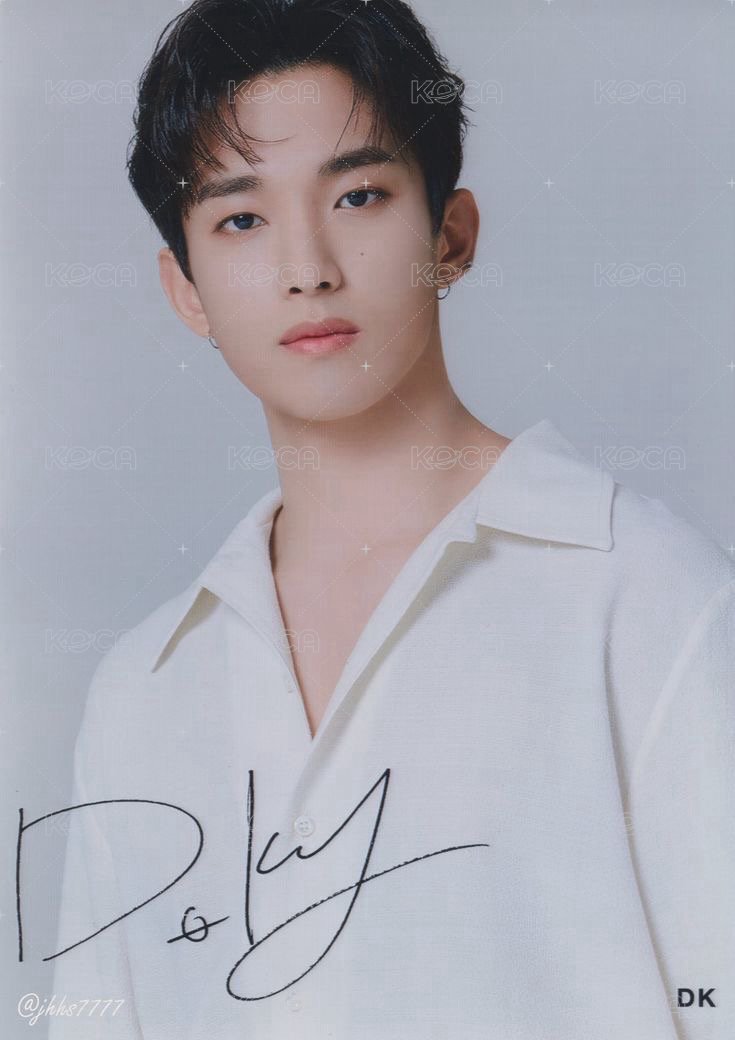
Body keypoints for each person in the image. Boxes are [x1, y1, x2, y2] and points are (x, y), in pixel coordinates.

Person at [49, 1, 734, 1037]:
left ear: (450, 236)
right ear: (185, 290)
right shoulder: (143, 690)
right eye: (241, 219)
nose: (308, 267)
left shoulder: (650, 601)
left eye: (359, 195)